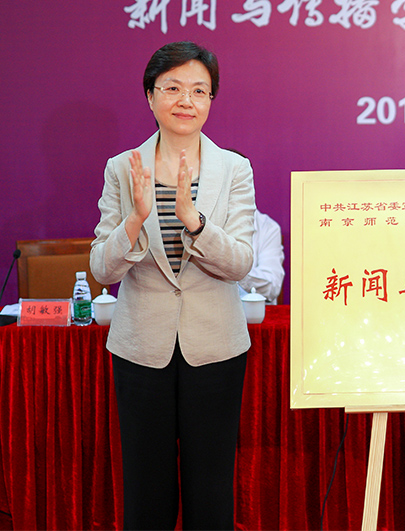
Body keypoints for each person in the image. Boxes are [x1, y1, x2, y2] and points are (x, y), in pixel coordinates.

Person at [90, 41, 255, 530]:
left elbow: (241, 263)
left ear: (211, 100)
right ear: (150, 95)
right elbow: (102, 269)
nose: (187, 100)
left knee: (211, 491)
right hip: (142, 348)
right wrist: (134, 220)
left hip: (215, 348)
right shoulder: (123, 168)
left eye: (200, 90)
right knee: (147, 492)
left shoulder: (235, 168)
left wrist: (194, 221)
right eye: (173, 88)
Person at [226, 151, 286, 304]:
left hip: (251, 315)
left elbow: (272, 287)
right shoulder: (197, 224)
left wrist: (233, 269)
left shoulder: (267, 227)